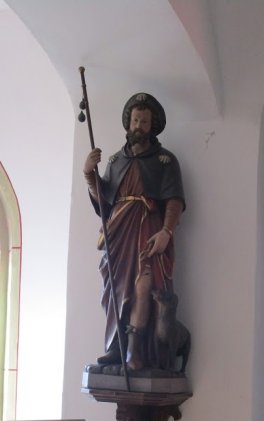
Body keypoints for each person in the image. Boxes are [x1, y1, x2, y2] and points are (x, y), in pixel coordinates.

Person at [83, 93, 185, 371]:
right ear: (128, 123)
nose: (139, 126)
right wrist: (90, 174)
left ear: (152, 126)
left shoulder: (165, 160)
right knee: (116, 287)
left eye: (144, 122)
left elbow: (174, 200)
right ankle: (116, 347)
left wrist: (166, 231)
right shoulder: (116, 160)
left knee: (144, 285)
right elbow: (104, 203)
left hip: (148, 227)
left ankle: (135, 350)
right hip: (118, 231)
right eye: (135, 120)